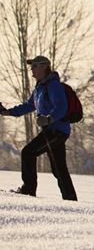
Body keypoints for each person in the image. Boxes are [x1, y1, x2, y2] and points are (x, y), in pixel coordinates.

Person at [0, 55, 78, 200]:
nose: (32, 70)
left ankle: (28, 190)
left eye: (34, 66)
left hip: (56, 131)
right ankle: (70, 199)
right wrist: (8, 112)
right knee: (59, 168)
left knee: (28, 152)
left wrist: (49, 119)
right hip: (53, 131)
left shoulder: (53, 85)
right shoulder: (40, 88)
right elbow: (29, 105)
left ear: (43, 67)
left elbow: (61, 106)